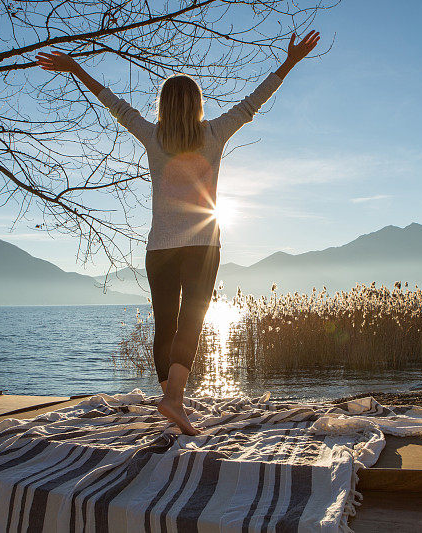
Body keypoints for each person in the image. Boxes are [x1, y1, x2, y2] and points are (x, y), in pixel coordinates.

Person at [35, 31, 320, 435]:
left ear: (164, 107)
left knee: (165, 323)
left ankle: (173, 401)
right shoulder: (215, 134)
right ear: (198, 105)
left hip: (160, 249)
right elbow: (254, 101)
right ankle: (173, 401)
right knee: (192, 322)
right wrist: (290, 62)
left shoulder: (154, 137)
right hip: (203, 246)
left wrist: (75, 67)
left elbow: (114, 104)